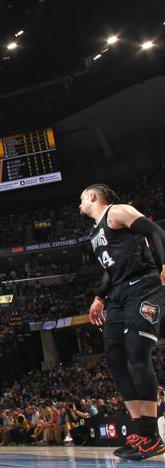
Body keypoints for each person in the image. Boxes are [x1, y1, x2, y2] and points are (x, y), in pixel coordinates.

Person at [81, 183, 165, 460]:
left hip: (144, 286)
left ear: (93, 196)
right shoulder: (95, 232)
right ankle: (141, 431)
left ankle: (152, 435)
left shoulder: (117, 211)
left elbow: (155, 231)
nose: (79, 204)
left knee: (137, 355)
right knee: (116, 360)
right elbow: (112, 269)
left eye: (82, 198)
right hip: (118, 293)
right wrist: (99, 297)